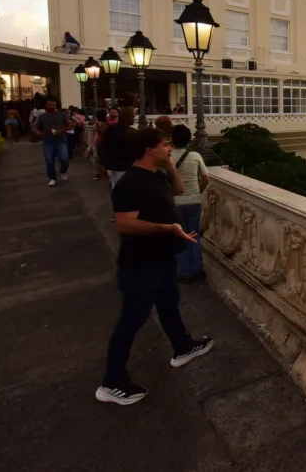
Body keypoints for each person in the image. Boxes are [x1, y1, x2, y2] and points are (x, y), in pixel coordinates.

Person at [96, 127, 213, 406]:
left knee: (169, 303)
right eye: (164, 145)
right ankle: (111, 382)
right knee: (132, 319)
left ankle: (182, 346)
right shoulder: (130, 183)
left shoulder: (156, 174)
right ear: (149, 149)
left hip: (161, 258)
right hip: (140, 263)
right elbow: (124, 223)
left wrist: (170, 164)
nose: (169, 148)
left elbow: (180, 189)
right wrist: (166, 227)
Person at [170, 125, 208, 283]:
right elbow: (205, 178)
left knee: (180, 236)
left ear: (172, 139)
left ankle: (184, 272)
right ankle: (197, 270)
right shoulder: (195, 156)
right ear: (189, 139)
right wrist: (197, 192)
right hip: (193, 201)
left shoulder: (167, 157)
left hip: (175, 202)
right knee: (194, 235)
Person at [32, 97, 74, 186]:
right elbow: (35, 127)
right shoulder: (42, 116)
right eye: (50, 105)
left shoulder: (62, 115)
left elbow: (70, 125)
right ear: (46, 106)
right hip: (48, 141)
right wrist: (39, 133)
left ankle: (63, 171)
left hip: (61, 140)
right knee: (49, 161)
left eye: (53, 105)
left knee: (64, 159)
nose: (52, 107)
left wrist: (61, 131)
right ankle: (52, 178)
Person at [99, 107, 135, 189]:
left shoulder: (110, 128)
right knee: (123, 190)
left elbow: (102, 144)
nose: (134, 119)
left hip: (111, 164)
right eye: (133, 117)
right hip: (123, 166)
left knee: (115, 186)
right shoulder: (131, 132)